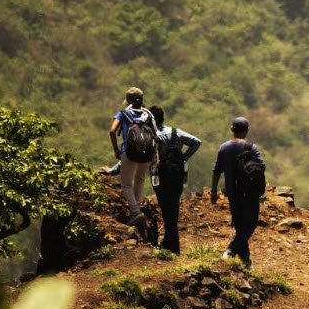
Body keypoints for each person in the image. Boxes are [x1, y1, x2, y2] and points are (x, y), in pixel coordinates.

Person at [210, 117, 265, 268]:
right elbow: (262, 166)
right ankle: (231, 250)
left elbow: (216, 171)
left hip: (232, 192)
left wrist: (213, 191)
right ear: (246, 130)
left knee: (240, 225)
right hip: (249, 192)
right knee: (251, 224)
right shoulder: (250, 147)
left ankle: (246, 262)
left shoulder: (223, 148)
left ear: (232, 130)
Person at [148, 105, 201, 255]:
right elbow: (197, 142)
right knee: (174, 206)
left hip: (158, 176)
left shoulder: (152, 135)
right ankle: (170, 243)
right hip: (177, 175)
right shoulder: (175, 132)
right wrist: (184, 157)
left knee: (165, 208)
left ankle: (172, 245)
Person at [109, 87, 158, 226]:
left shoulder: (123, 113)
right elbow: (156, 135)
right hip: (147, 154)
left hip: (129, 152)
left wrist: (116, 150)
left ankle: (135, 212)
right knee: (140, 179)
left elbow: (112, 131)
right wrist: (155, 156)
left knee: (126, 184)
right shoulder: (148, 114)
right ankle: (135, 211)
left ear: (128, 101)